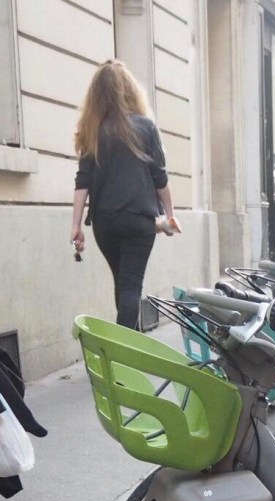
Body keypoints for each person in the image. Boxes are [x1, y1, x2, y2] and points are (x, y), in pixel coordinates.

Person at [71, 59, 180, 329]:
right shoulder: (145, 126)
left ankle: (127, 343)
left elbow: (82, 181)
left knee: (123, 284)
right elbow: (159, 177)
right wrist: (170, 214)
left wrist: (75, 226)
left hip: (104, 222)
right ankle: (125, 354)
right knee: (131, 286)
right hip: (139, 219)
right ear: (130, 91)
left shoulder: (92, 130)